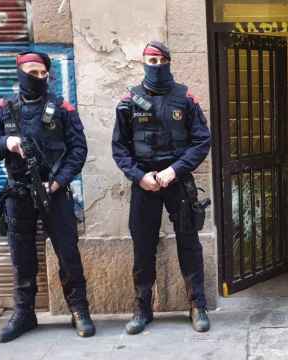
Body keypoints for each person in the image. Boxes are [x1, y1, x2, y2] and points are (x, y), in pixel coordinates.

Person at [0, 51, 95, 342]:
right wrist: (8, 141)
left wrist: (57, 183)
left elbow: (78, 150)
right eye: (33, 73)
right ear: (20, 73)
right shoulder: (5, 109)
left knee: (68, 253)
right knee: (22, 256)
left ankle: (79, 310)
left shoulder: (62, 108)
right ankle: (24, 313)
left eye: (44, 74)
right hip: (18, 193)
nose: (39, 78)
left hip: (54, 193)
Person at [112, 41, 212, 334]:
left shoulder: (185, 98)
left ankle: (197, 306)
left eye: (160, 61)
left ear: (169, 62)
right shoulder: (129, 100)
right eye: (150, 61)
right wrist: (138, 176)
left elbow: (202, 141)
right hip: (144, 183)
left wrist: (174, 170)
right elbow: (119, 147)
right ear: (143, 63)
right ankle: (142, 309)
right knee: (143, 246)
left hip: (177, 181)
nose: (155, 66)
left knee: (189, 244)